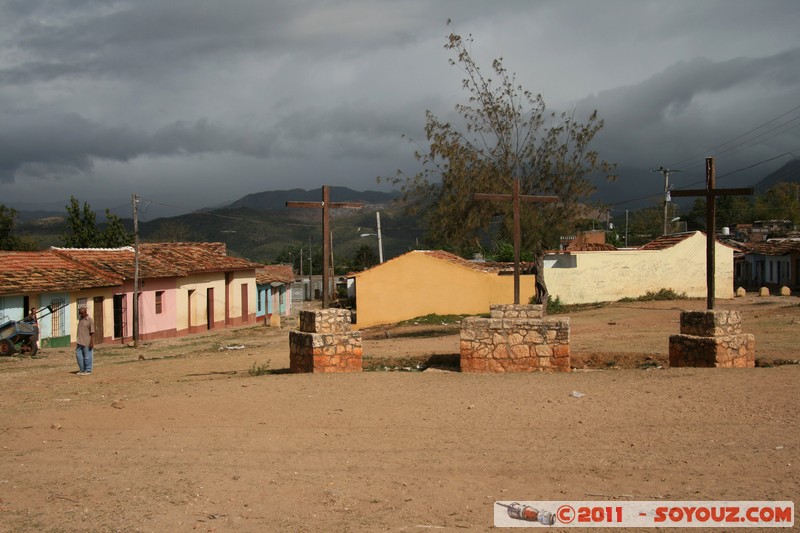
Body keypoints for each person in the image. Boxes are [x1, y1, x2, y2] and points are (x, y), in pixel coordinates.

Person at [76, 306, 95, 375]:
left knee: (87, 356)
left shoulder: (90, 320)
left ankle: (88, 370)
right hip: (79, 341)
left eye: (81, 313)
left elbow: (92, 332)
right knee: (79, 356)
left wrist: (91, 342)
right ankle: (82, 369)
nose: (80, 315)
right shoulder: (80, 319)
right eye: (79, 313)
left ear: (85, 312)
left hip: (87, 341)